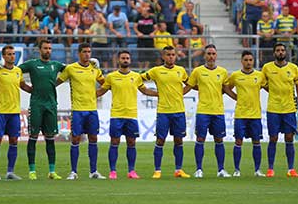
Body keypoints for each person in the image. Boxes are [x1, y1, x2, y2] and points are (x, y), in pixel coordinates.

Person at [96, 50, 158, 179]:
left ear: (130, 60)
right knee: (114, 142)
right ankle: (113, 171)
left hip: (131, 115)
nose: (125, 60)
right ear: (118, 60)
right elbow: (101, 91)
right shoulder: (111, 77)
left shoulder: (136, 76)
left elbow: (145, 90)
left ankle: (131, 171)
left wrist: (158, 93)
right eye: (123, 58)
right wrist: (87, 94)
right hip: (116, 115)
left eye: (127, 58)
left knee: (131, 142)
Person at [56, 43, 106, 180]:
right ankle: (73, 171)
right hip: (78, 110)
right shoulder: (71, 68)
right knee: (76, 139)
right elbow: (56, 82)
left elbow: (106, 84)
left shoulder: (94, 69)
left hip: (92, 110)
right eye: (84, 52)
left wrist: (96, 93)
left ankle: (93, 171)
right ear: (78, 53)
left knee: (93, 139)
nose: (87, 54)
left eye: (89, 52)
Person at [184, 45, 234, 178]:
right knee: (200, 139)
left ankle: (221, 170)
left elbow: (226, 88)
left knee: (219, 140)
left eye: (213, 54)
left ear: (216, 56)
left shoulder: (223, 72)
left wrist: (237, 98)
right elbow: (190, 86)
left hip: (218, 111)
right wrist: (177, 94)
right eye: (209, 54)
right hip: (203, 111)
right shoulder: (197, 71)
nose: (211, 56)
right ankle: (199, 169)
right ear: (204, 56)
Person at [141, 46, 191, 179]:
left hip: (179, 111)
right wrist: (154, 93)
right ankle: (157, 170)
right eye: (168, 54)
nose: (171, 57)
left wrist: (181, 93)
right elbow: (139, 80)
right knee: (160, 140)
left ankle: (178, 170)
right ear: (163, 56)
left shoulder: (181, 71)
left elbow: (190, 83)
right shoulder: (156, 71)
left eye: (173, 55)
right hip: (163, 111)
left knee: (179, 140)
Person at [18, 40, 64, 180]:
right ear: (39, 50)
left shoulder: (55, 65)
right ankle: (32, 171)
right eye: (45, 48)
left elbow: (70, 70)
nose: (48, 50)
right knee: (33, 138)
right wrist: (25, 87)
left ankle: (52, 171)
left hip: (51, 105)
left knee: (50, 139)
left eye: (50, 48)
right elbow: (16, 71)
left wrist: (57, 82)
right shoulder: (32, 64)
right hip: (37, 105)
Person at [262, 43, 298, 177]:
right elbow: (263, 84)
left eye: (282, 50)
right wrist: (274, 92)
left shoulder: (293, 68)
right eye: (278, 50)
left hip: (289, 109)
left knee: (289, 137)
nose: (280, 52)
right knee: (273, 138)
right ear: (274, 53)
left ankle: (291, 169)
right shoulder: (267, 68)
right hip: (273, 109)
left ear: (286, 53)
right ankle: (270, 169)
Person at [0, 46, 30, 181]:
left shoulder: (18, 71)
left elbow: (22, 85)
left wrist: (36, 90)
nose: (12, 56)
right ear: (3, 56)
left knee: (14, 140)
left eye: (13, 54)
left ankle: (10, 172)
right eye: (9, 54)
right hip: (0, 111)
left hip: (14, 112)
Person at [226, 50, 267, 176]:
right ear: (241, 61)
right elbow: (226, 87)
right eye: (246, 60)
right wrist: (236, 97)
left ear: (253, 61)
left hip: (255, 115)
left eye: (250, 60)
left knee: (256, 142)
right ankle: (237, 170)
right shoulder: (235, 75)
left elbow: (267, 87)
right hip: (241, 114)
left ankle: (257, 170)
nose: (248, 62)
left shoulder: (259, 76)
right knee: (238, 142)